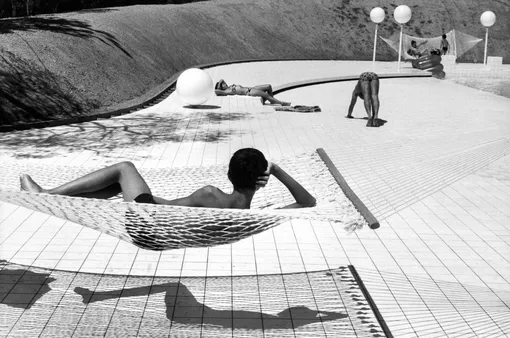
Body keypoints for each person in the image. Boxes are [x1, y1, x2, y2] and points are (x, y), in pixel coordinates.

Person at [20, 148, 316, 210]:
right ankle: (55, 200)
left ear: (230, 174)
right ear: (259, 181)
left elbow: (167, 209)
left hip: (150, 225)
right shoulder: (251, 215)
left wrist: (140, 197)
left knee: (124, 168)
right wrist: (275, 170)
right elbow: (308, 202)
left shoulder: (212, 195)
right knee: (113, 188)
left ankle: (45, 195)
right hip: (159, 228)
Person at [215, 79, 291, 106]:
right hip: (249, 92)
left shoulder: (229, 87)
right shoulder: (226, 91)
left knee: (268, 86)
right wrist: (219, 85)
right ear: (221, 87)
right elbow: (216, 91)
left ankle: (273, 101)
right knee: (266, 95)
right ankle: (281, 103)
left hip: (251, 88)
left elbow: (222, 79)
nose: (225, 83)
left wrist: (220, 82)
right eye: (223, 84)